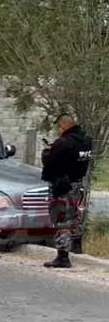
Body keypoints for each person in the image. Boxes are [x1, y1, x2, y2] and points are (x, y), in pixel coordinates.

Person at [40, 114, 94, 268]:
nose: (58, 131)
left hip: (62, 187)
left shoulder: (63, 143)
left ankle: (62, 257)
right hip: (77, 185)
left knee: (61, 221)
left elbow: (50, 164)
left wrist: (48, 152)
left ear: (63, 126)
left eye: (58, 128)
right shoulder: (86, 141)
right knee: (74, 218)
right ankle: (76, 248)